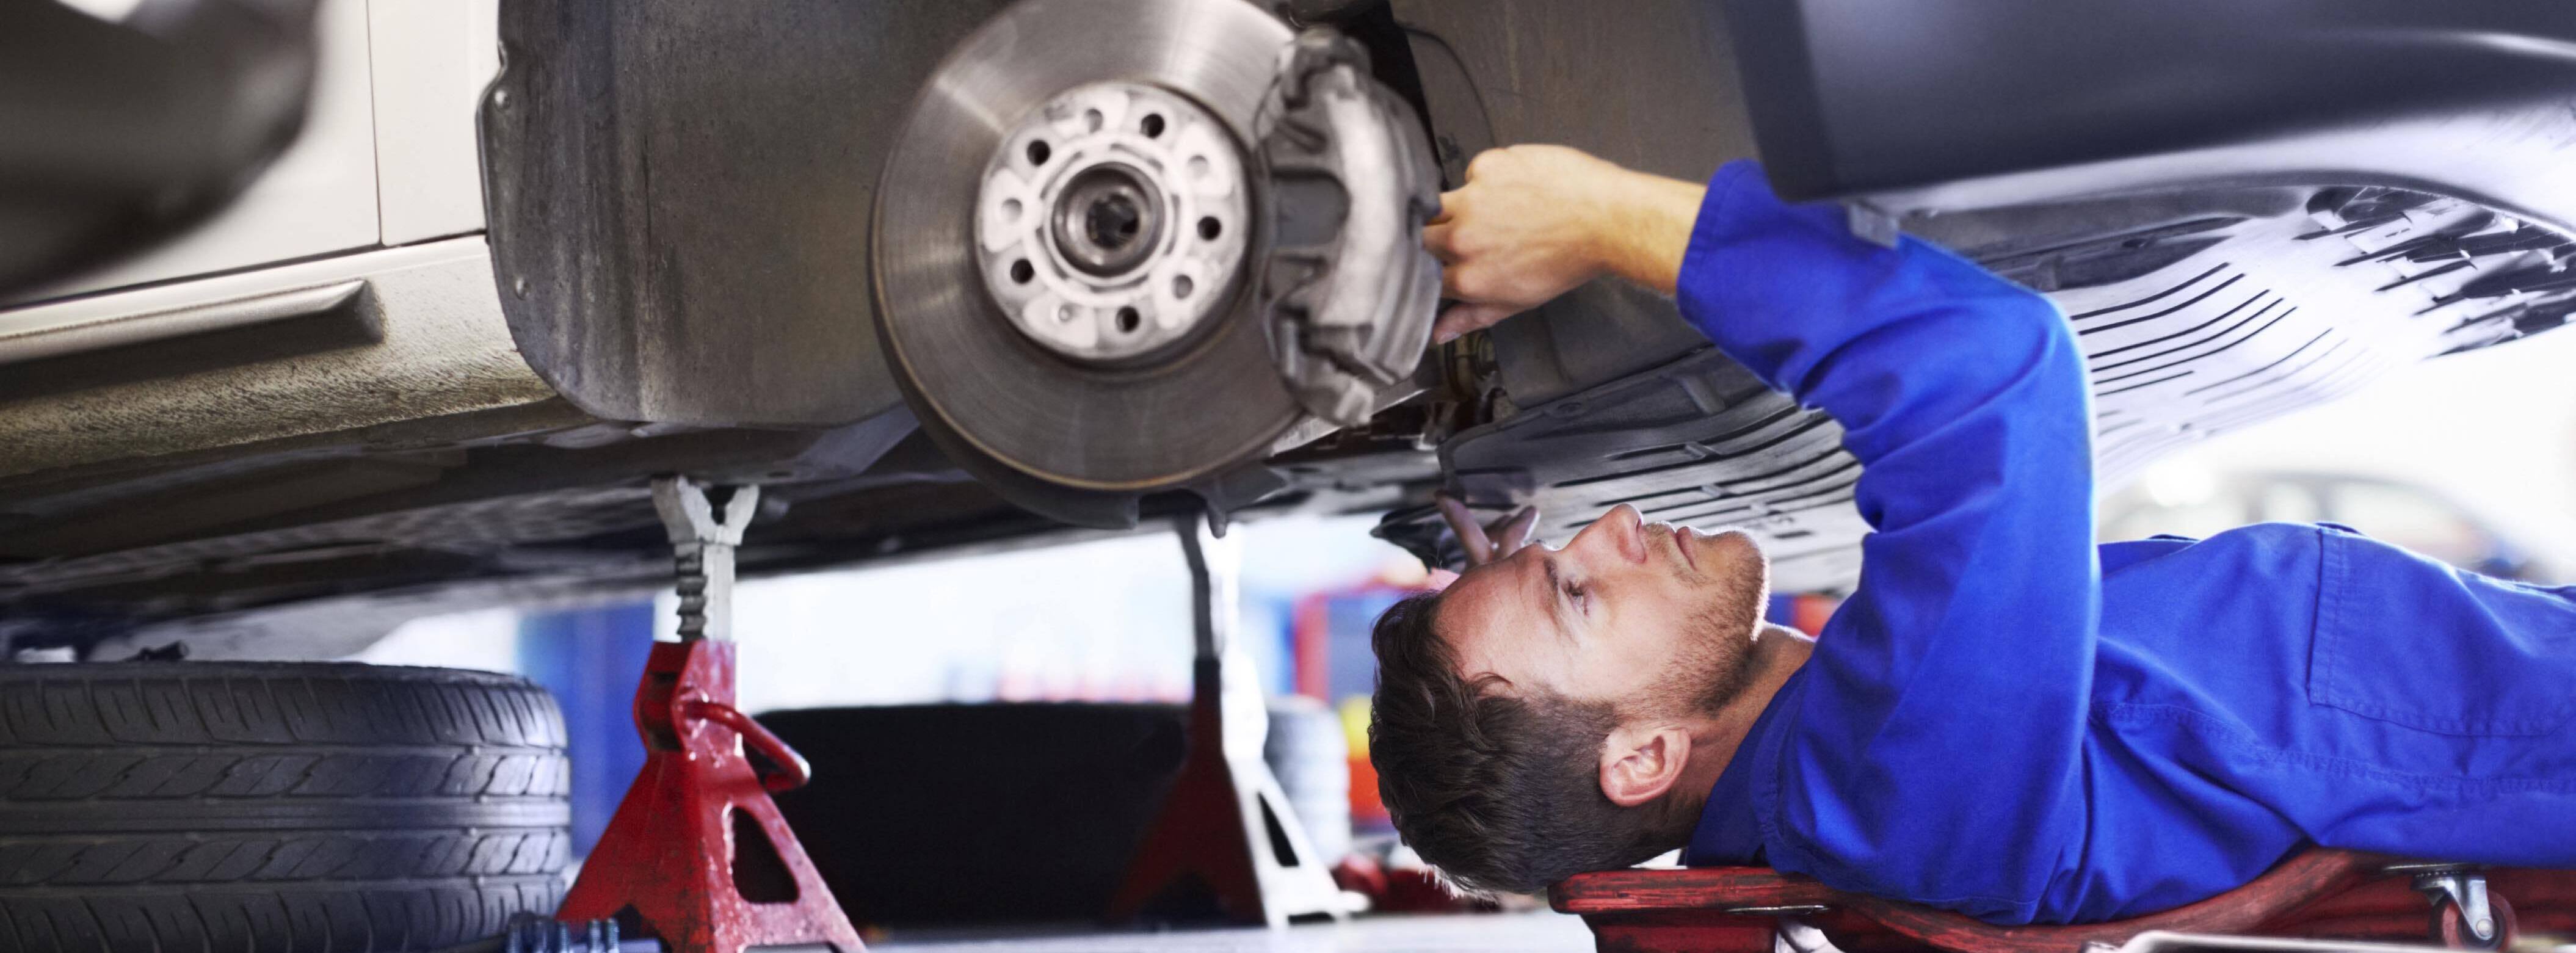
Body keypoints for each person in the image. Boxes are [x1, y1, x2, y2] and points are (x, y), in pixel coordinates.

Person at [1368, 145, 2576, 925]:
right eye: (1579, 594)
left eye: (1563, 550)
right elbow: (1987, 373)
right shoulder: (1889, 783)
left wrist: (1521, 581)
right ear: (1638, 763)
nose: (1615, 525)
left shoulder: (1856, 760)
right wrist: (1599, 213)